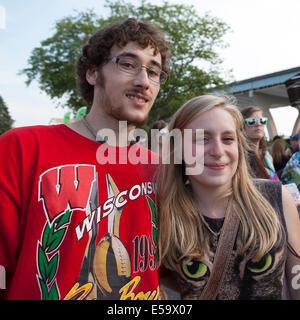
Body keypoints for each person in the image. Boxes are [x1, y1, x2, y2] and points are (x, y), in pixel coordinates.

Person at [0, 18, 171, 300]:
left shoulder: (162, 170)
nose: (143, 81)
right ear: (93, 73)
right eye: (127, 64)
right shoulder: (22, 148)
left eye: (154, 72)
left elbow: (166, 273)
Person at [157, 95, 300, 300]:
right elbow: (170, 279)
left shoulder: (276, 197)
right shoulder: (166, 212)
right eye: (202, 139)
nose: (217, 151)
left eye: (227, 139)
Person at [241, 106, 279, 180]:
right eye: (252, 121)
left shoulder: (267, 156)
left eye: (262, 120)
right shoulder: (240, 158)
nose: (258, 124)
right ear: (242, 126)